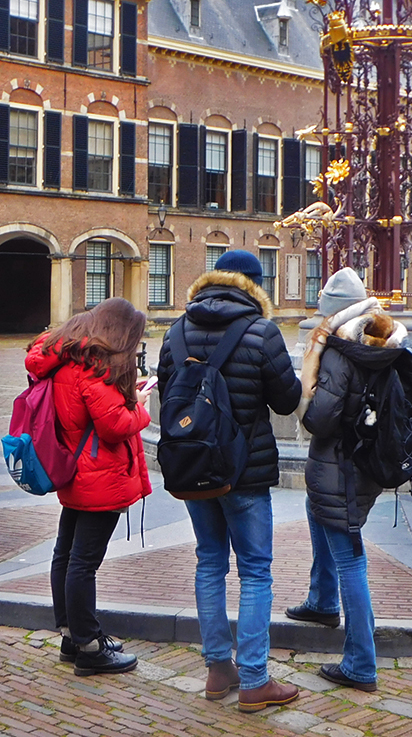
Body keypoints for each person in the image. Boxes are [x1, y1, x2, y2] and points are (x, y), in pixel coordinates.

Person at [156, 249, 302, 713]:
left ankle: (219, 669)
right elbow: (287, 401)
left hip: (194, 468)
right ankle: (256, 679)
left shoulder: (176, 331)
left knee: (209, 563)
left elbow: (166, 396)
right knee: (256, 570)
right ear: (254, 285)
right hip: (245, 472)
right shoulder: (262, 332)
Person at [287, 268, 406, 694]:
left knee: (350, 557)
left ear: (333, 313)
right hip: (363, 462)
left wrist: (307, 387)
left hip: (339, 462)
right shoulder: (383, 341)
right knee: (317, 511)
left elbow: (320, 418)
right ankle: (321, 600)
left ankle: (360, 662)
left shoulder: (340, 351)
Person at [24, 297, 152, 676]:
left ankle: (72, 634)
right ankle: (90, 648)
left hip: (75, 468)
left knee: (66, 553)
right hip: (100, 474)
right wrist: (140, 405)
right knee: (84, 562)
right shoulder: (94, 369)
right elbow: (114, 425)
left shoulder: (66, 358)